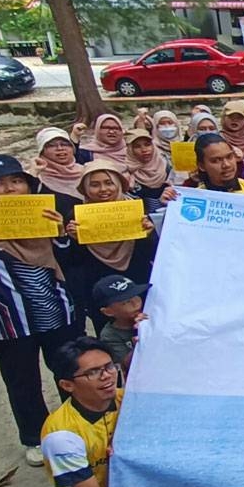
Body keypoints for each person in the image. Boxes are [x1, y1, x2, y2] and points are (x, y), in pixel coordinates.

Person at [0, 155, 79, 466]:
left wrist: (62, 234)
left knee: (70, 371)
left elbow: (71, 261)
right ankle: (35, 437)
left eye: (16, 181)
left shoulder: (46, 214)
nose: (9, 190)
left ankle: (77, 426)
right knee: (22, 381)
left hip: (57, 313)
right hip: (8, 320)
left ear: (28, 184)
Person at [38, 338, 131, 487]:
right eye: (93, 372)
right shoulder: (61, 434)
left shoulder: (128, 399)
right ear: (67, 385)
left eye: (109, 366)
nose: (107, 376)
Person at [65, 161, 158, 335]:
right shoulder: (76, 217)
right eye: (94, 184)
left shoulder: (137, 210)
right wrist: (74, 240)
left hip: (137, 283)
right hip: (101, 291)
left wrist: (148, 234)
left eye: (109, 183)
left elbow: (151, 254)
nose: (103, 189)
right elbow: (74, 262)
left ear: (119, 184)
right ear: (84, 189)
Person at [94, 275, 149, 372]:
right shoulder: (110, 335)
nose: (135, 303)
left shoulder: (149, 312)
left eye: (136, 296)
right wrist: (140, 339)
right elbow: (126, 364)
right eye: (126, 302)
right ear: (108, 311)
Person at [32, 127, 84, 219]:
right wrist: (33, 174)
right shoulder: (36, 177)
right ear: (42, 151)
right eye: (51, 145)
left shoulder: (87, 172)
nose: (60, 148)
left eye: (65, 144)